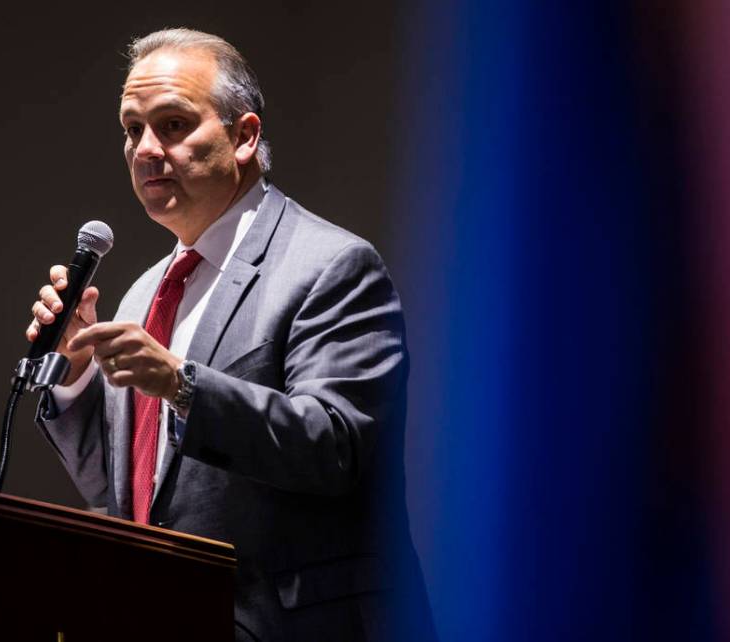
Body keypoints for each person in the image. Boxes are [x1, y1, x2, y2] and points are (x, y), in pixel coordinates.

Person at [27, 28, 434, 641]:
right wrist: (75, 370)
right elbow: (125, 489)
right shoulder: (144, 293)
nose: (143, 149)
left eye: (171, 124)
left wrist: (182, 385)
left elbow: (338, 448)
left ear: (244, 136)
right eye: (132, 128)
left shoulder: (330, 264)